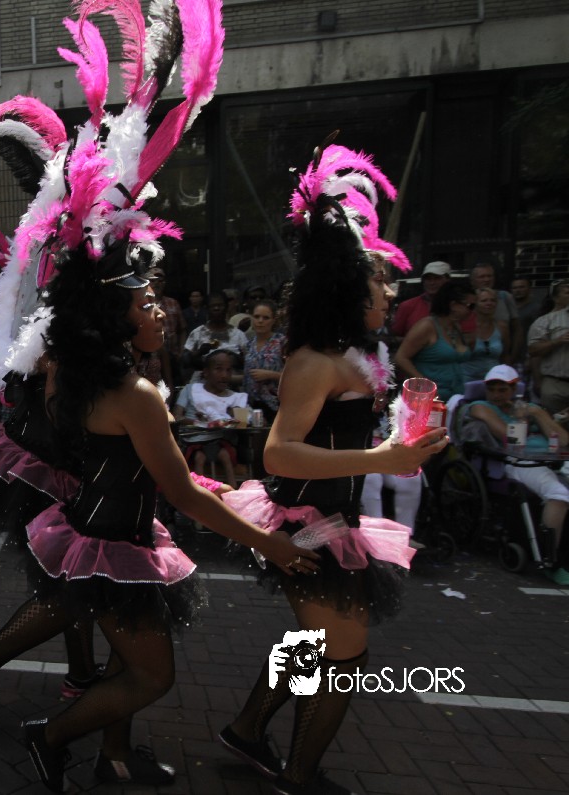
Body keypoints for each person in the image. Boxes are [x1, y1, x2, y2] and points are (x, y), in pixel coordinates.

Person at [0, 4, 316, 786]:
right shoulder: (133, 390)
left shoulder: (89, 374)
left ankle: (109, 752)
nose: (162, 308)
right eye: (147, 300)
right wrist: (271, 541)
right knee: (151, 672)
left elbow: (159, 469)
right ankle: (52, 737)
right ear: (114, 314)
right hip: (113, 542)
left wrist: (232, 492)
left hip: (108, 530)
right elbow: (178, 486)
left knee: (127, 656)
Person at [220, 141, 445, 795]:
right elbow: (279, 451)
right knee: (345, 656)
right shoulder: (316, 361)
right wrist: (381, 457)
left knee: (318, 643)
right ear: (347, 287)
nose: (390, 291)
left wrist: (401, 436)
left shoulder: (360, 354)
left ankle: (246, 729)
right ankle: (297, 774)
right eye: (379, 281)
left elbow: (342, 432)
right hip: (307, 523)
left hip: (338, 516)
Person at [466, 364, 569, 585]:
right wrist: (521, 419)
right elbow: (508, 437)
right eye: (491, 389)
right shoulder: (479, 407)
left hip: (552, 460)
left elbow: (562, 440)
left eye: (502, 390)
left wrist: (538, 413)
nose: (496, 395)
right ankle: (550, 560)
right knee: (559, 495)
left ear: (514, 389)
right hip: (517, 462)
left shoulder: (531, 408)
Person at [173, 349, 248, 488]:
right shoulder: (190, 390)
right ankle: (199, 494)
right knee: (199, 458)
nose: (224, 375)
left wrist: (235, 415)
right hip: (193, 441)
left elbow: (244, 421)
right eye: (219, 369)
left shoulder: (234, 397)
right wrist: (200, 423)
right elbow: (176, 416)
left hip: (220, 441)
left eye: (228, 370)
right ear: (206, 372)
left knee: (225, 455)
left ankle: (233, 494)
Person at [394, 280, 476, 401]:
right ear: (453, 305)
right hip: (427, 400)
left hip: (455, 398)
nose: (472, 311)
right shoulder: (427, 326)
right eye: (470, 306)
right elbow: (401, 358)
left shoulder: (456, 328)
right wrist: (425, 385)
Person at [526, 284, 569, 415]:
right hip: (556, 384)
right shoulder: (546, 320)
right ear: (555, 298)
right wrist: (558, 341)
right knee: (551, 424)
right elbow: (533, 350)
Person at [183, 292, 247, 373]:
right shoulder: (197, 333)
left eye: (220, 305)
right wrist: (199, 352)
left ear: (226, 307)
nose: (216, 308)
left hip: (233, 378)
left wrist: (235, 357)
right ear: (206, 309)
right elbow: (185, 360)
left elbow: (248, 361)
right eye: (212, 306)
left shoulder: (238, 334)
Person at [243, 299, 285, 418]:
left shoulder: (282, 343)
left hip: (276, 405)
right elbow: (247, 375)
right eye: (257, 317)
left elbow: (296, 376)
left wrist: (271, 375)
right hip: (251, 406)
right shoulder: (249, 345)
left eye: (266, 318)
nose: (260, 321)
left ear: (273, 320)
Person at [389, 260, 451, 338]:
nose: (432, 283)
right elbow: (394, 336)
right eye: (428, 279)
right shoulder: (407, 306)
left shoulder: (457, 306)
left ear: (447, 280)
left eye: (437, 278)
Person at [463, 287, 508, 381]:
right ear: (475, 304)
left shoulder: (502, 327)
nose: (489, 303)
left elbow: (506, 355)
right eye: (484, 301)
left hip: (494, 381)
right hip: (467, 379)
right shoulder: (464, 326)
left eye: (493, 300)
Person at [510, 276, 543, 365]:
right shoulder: (507, 308)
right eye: (515, 288)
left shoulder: (536, 309)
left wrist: (530, 357)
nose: (518, 290)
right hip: (508, 356)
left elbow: (539, 335)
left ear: (529, 289)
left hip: (525, 357)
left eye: (521, 287)